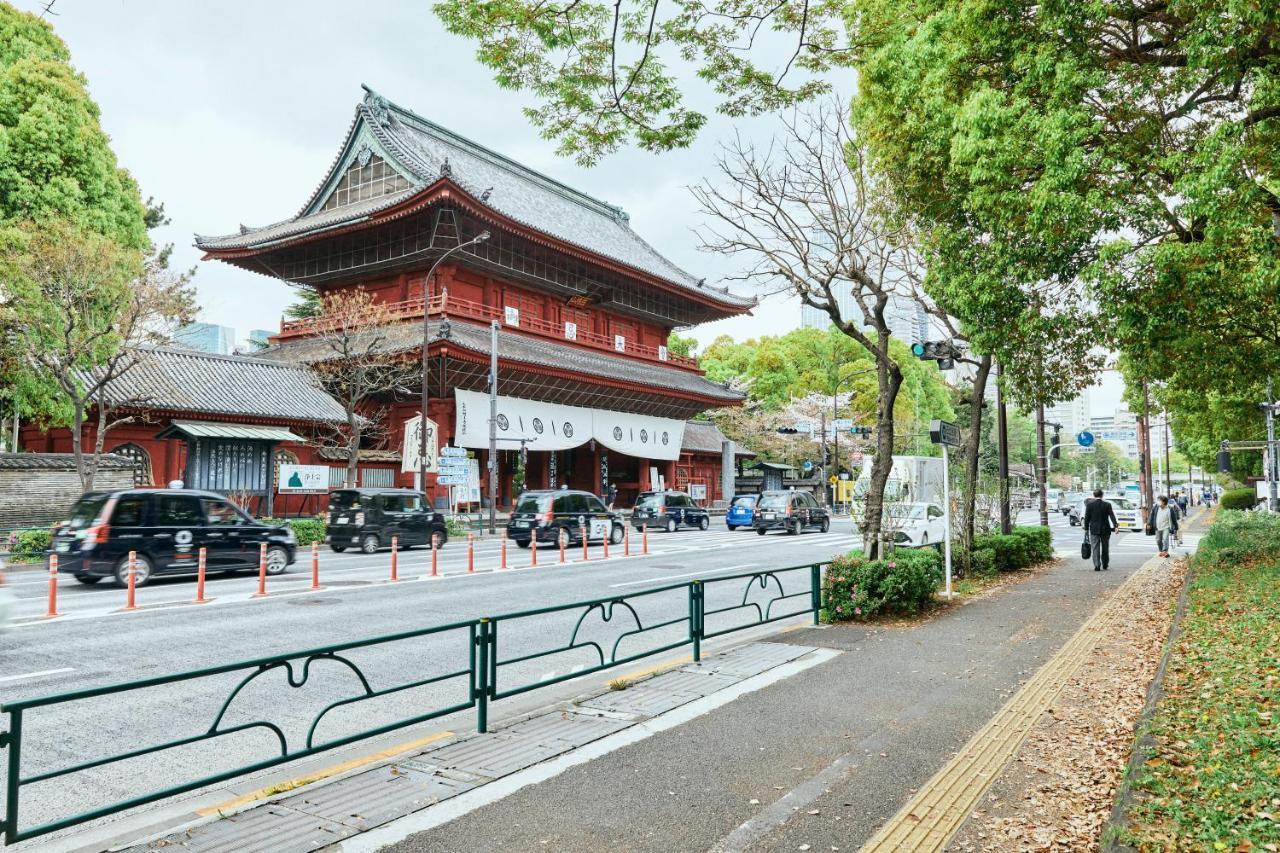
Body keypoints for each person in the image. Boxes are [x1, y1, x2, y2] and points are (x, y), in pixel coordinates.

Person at [1083, 488, 1118, 571]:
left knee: (1095, 548)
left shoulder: (1089, 505)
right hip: (1105, 529)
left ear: (1094, 495)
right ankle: (1105, 564)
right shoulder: (1107, 504)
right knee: (1105, 547)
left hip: (1094, 530)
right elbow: (1112, 516)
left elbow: (1087, 518)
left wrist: (1086, 528)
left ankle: (1097, 565)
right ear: (1102, 495)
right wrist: (1116, 526)